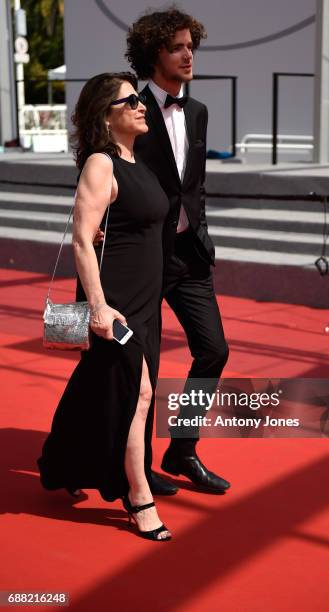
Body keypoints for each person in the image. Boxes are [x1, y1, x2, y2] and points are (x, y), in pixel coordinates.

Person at [37, 72, 172, 541]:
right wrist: (97, 307)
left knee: (102, 387)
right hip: (114, 301)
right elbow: (80, 239)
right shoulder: (101, 163)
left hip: (146, 300)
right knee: (140, 394)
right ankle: (139, 498)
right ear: (106, 115)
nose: (141, 105)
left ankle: (61, 461)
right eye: (129, 100)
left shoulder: (141, 164)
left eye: (139, 99)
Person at [126, 8, 230, 495]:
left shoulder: (199, 112)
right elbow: (101, 167)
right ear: (153, 55)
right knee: (143, 364)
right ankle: (138, 466)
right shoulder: (130, 107)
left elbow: (195, 183)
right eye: (177, 47)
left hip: (190, 254)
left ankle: (182, 449)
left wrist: (201, 226)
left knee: (213, 350)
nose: (189, 54)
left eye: (192, 46)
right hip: (144, 256)